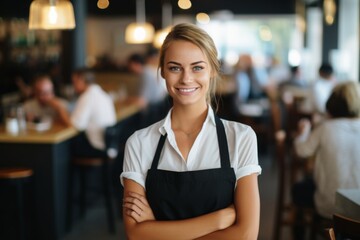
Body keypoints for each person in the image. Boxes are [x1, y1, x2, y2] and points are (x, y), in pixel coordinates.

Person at [121, 23, 261, 239]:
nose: (186, 78)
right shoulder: (139, 142)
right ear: (163, 73)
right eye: (175, 67)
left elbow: (246, 235)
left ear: (213, 70)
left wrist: (157, 229)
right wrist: (216, 221)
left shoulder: (241, 137)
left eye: (197, 67)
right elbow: (135, 234)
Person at [291, 81, 360, 239]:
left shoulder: (326, 128)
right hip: (358, 209)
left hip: (330, 207)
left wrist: (303, 132)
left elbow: (301, 151)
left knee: (298, 189)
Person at [70, 68, 117, 157]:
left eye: (74, 82)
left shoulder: (87, 96)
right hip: (109, 145)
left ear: (81, 80)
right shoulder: (103, 94)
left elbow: (76, 124)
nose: (73, 85)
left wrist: (59, 108)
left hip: (96, 146)